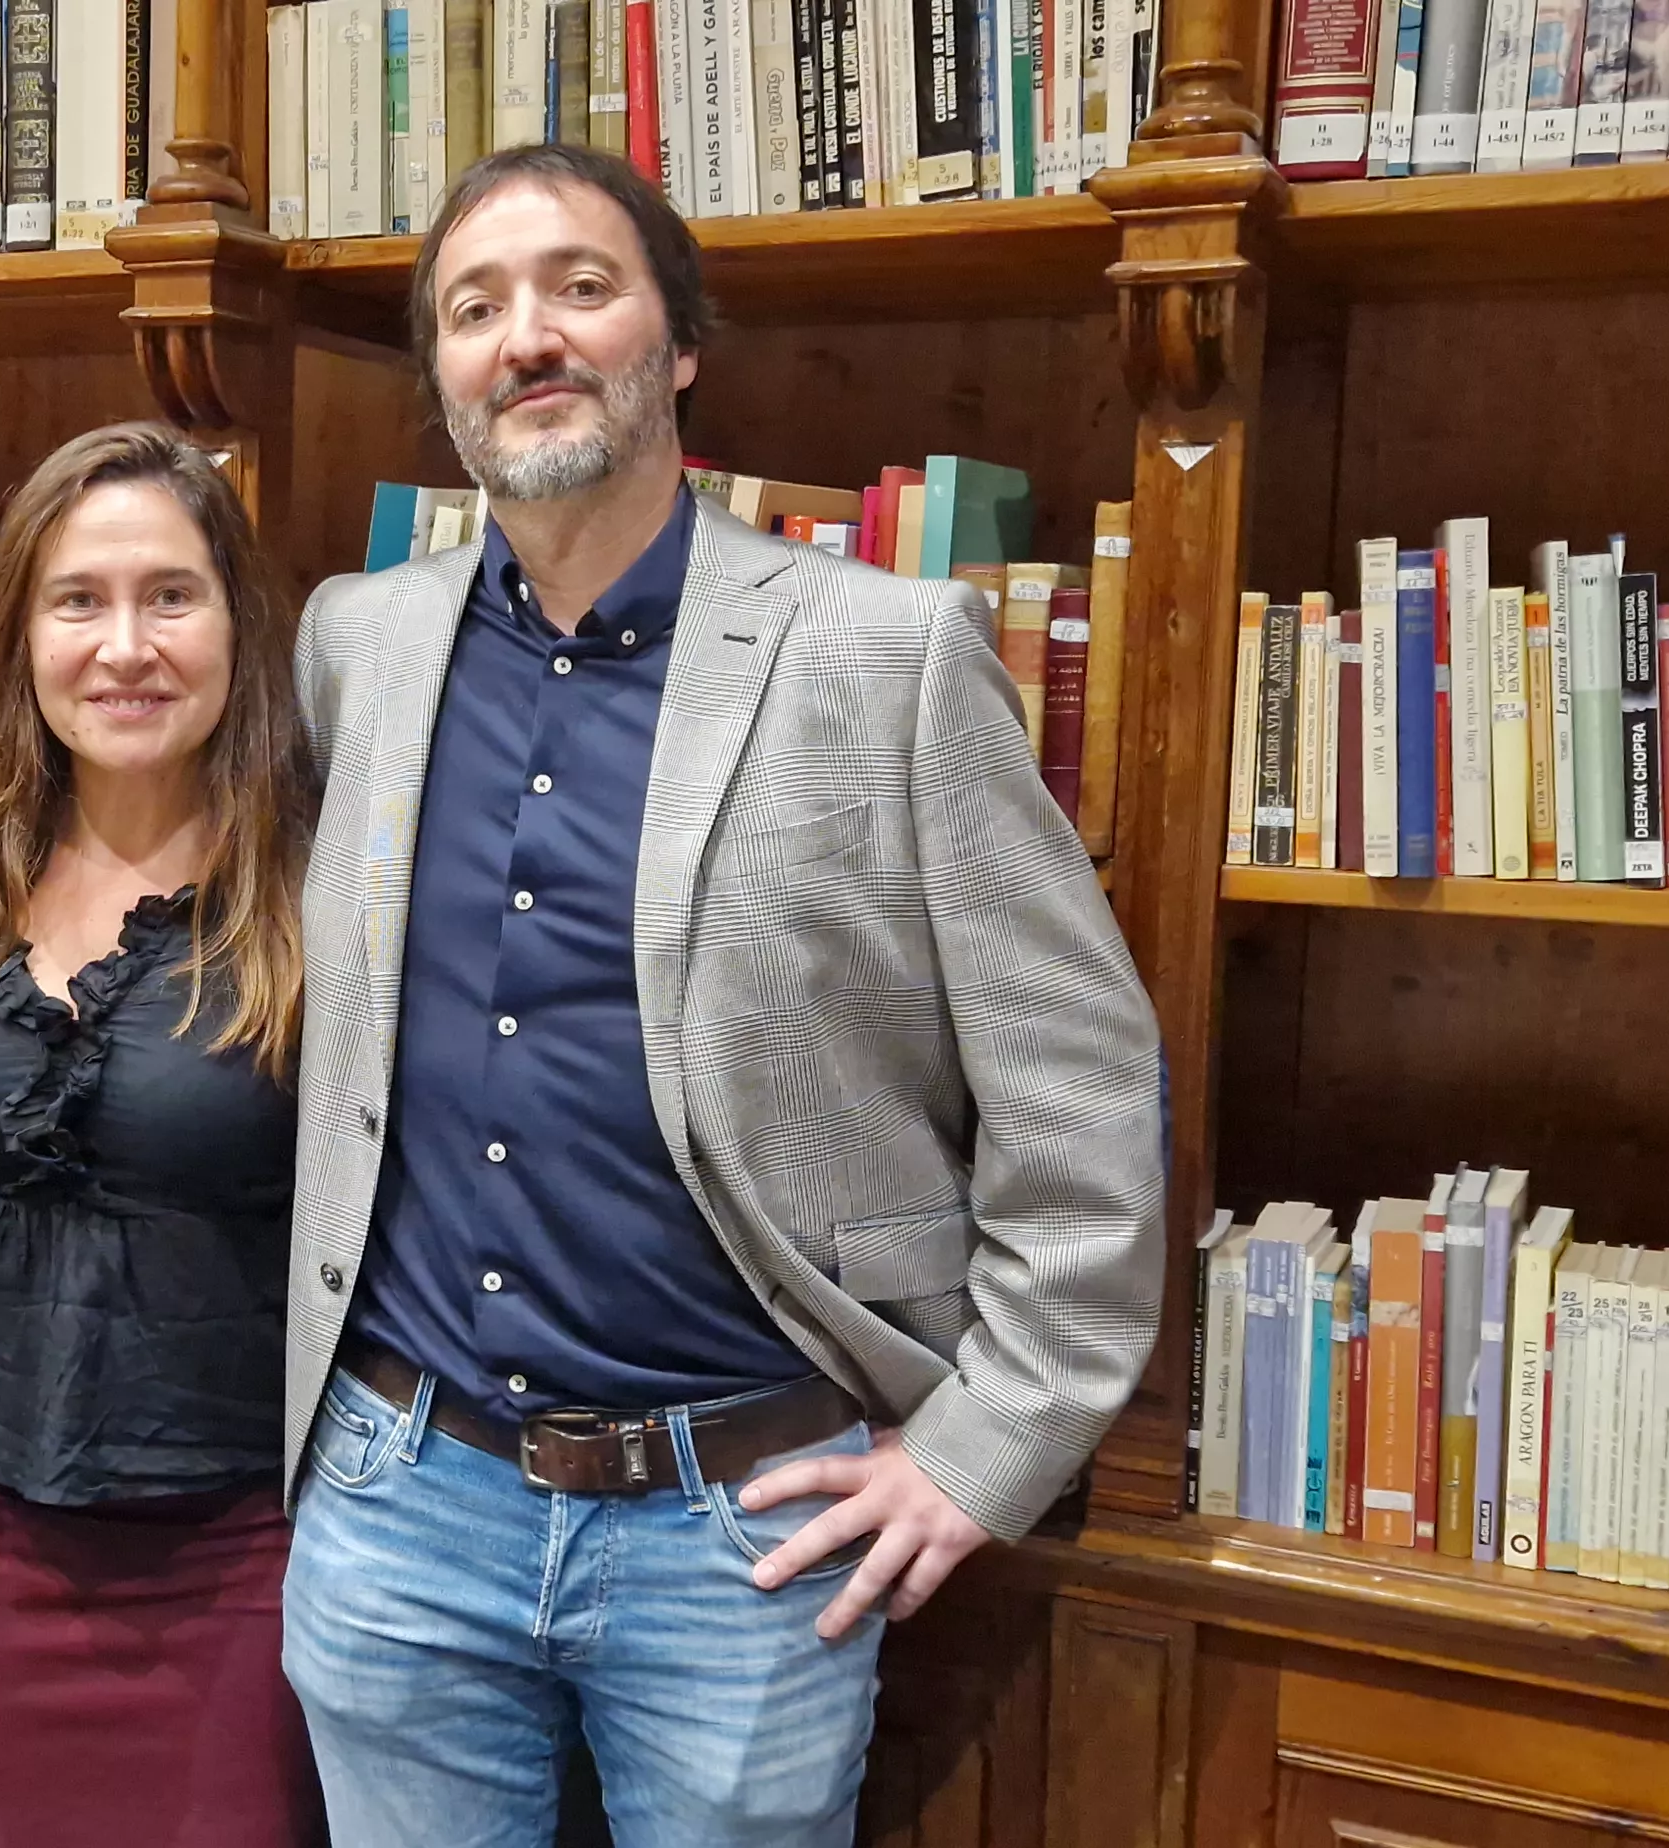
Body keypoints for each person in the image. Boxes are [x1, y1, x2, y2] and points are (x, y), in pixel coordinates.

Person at [279, 141, 1170, 1844]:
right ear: (444, 382)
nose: (526, 335)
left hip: (741, 1534)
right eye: (476, 309)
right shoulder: (355, 647)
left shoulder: (887, 654)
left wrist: (981, 1447)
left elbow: (1081, 1089)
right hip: (400, 1506)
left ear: (677, 346)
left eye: (580, 287)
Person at [0, 423, 327, 1846]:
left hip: (246, 1559)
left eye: (170, 596)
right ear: (19, 633)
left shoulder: (324, 889)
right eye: (79, 601)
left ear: (235, 625)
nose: (125, 646)